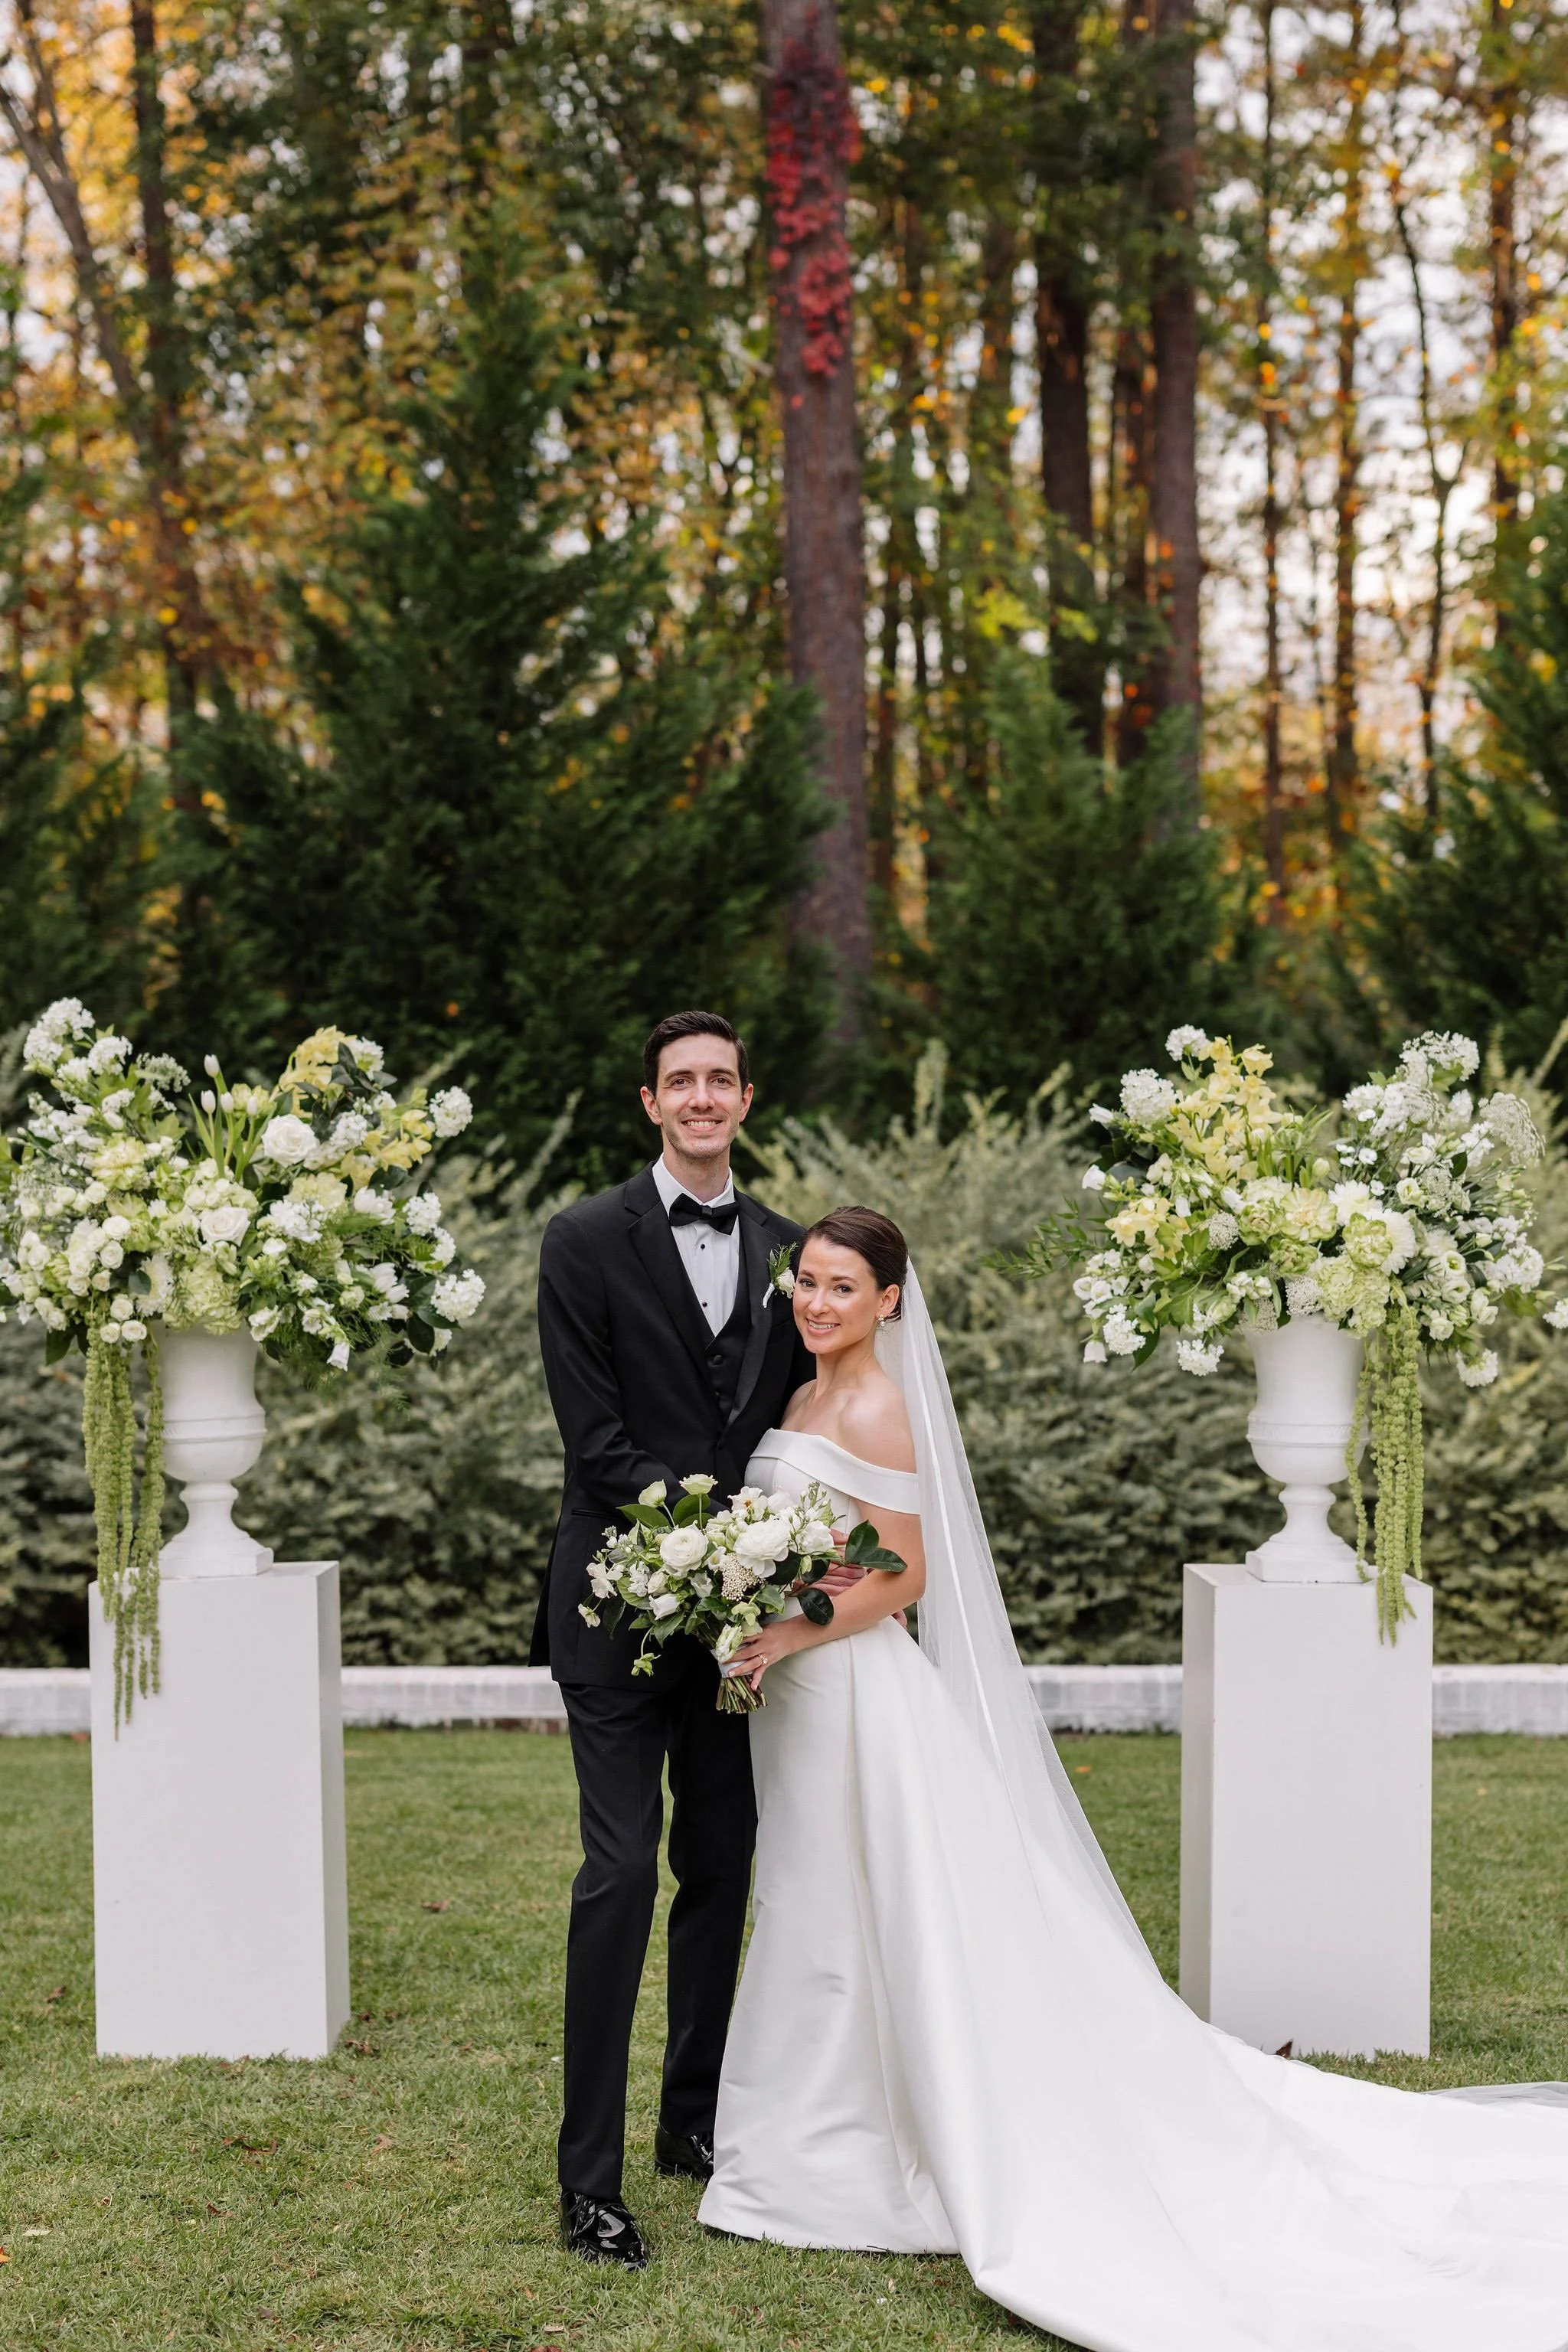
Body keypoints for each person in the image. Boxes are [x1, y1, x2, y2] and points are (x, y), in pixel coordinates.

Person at [698, 1205, 1568, 2352]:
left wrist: (784, 1634)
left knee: (849, 1912)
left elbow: (900, 1576)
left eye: (842, 1288)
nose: (816, 1303)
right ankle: (818, 2136)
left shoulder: (878, 1403)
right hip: (804, 1699)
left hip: (858, 1698)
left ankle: (832, 2157)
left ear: (891, 1302)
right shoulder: (803, 1393)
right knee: (816, 1902)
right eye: (806, 1281)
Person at [533, 1011, 812, 2271]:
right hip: (612, 1609)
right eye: (678, 1083)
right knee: (622, 1876)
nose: (701, 1099)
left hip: (736, 1623)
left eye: (720, 1081)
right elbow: (592, 1441)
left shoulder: (791, 1252)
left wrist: (765, 1563)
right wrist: (703, 1538)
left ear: (745, 1099)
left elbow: (794, 1428)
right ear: (649, 1103)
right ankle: (587, 2180)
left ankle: (690, 2128)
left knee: (723, 1866)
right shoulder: (584, 1239)